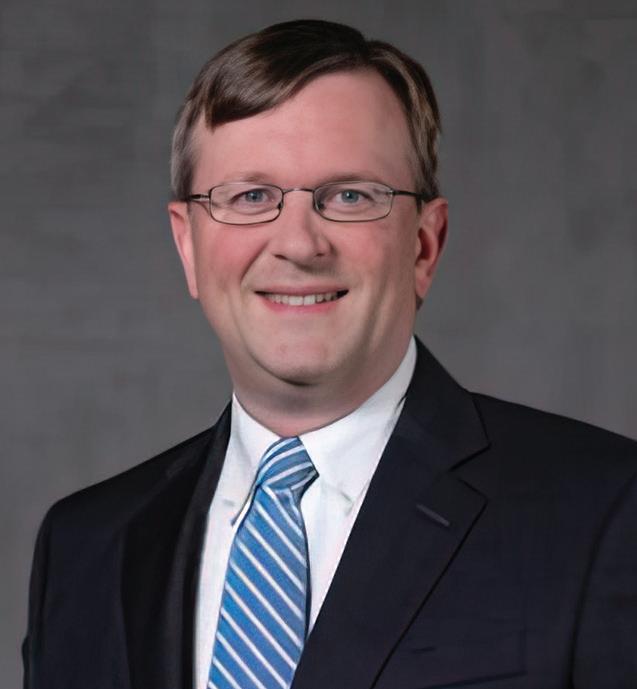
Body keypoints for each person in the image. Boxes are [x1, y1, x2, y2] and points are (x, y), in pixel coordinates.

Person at [23, 19, 637, 689]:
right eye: (251, 196)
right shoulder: (85, 547)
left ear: (424, 246)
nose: (298, 244)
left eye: (349, 196)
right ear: (188, 245)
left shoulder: (603, 512)